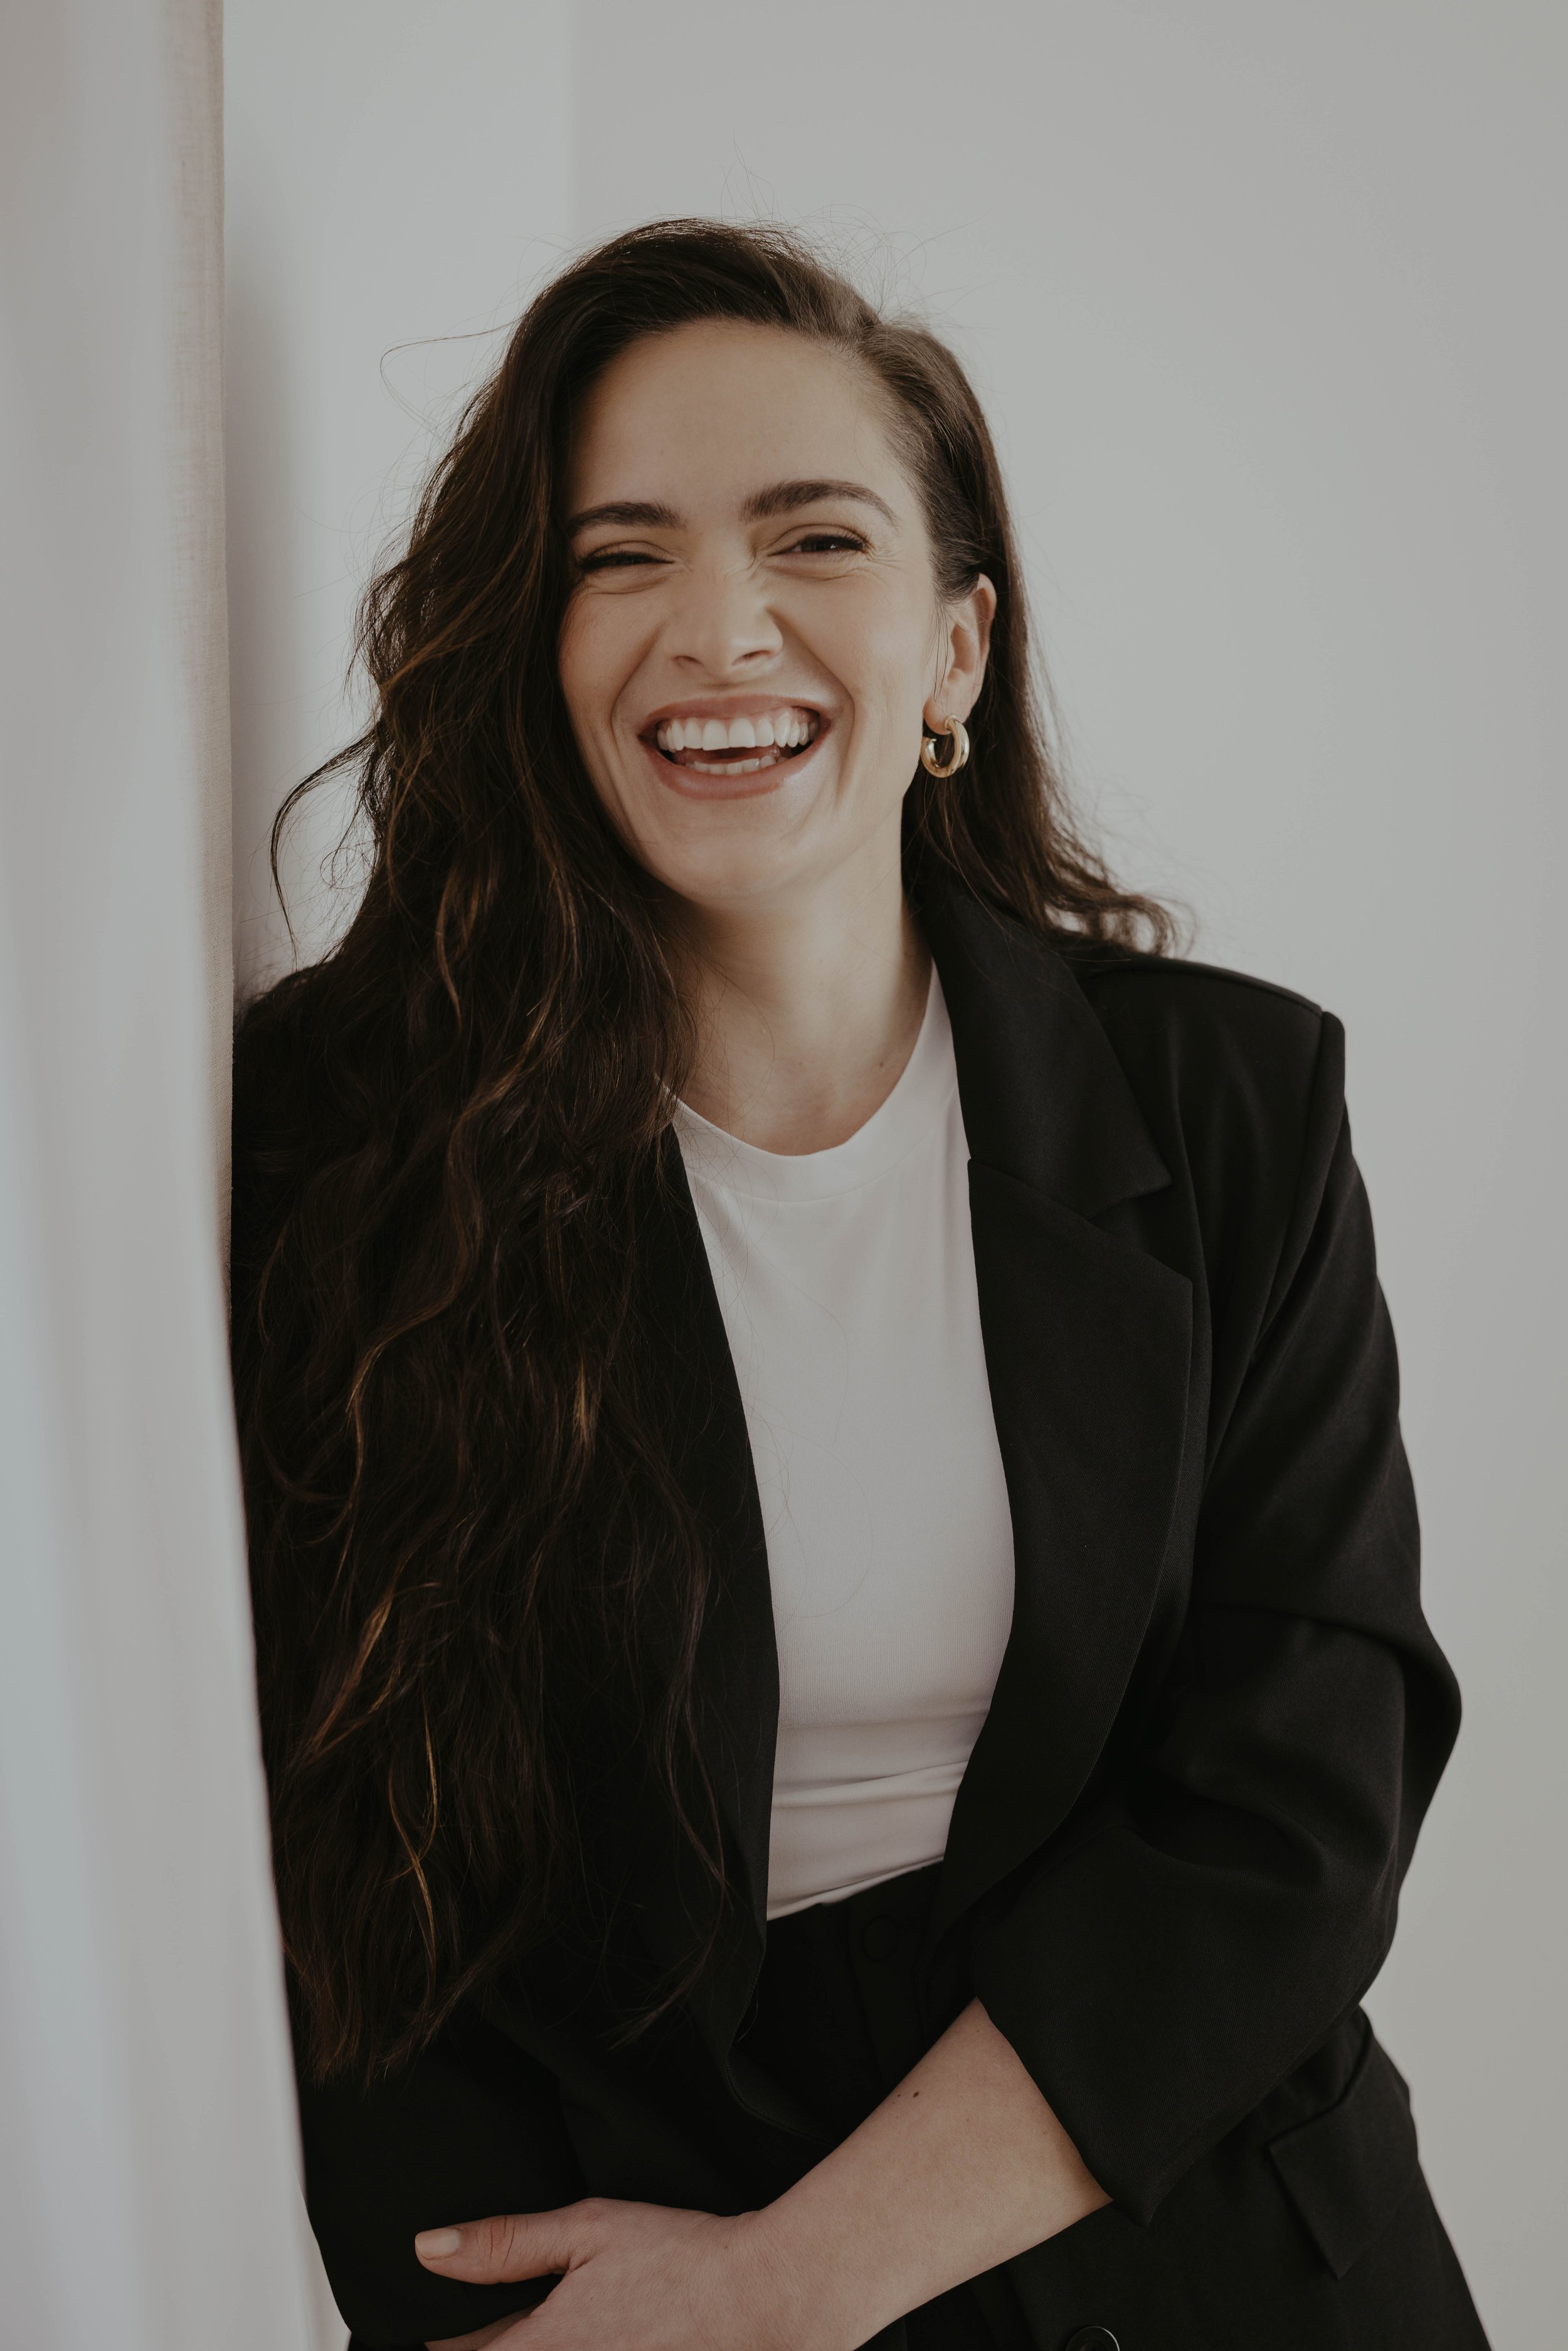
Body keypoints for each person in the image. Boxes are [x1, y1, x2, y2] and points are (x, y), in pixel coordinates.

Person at [231, 220, 1488, 2351]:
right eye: (617, 556)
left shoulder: (1228, 1098)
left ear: (954, 650)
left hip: (1201, 2241)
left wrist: (793, 2286)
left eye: (812, 537)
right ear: (533, 647)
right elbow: (340, 1844)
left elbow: (1299, 1789)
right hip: (625, 2268)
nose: (715, 628)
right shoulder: (344, 1137)